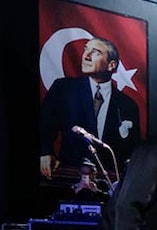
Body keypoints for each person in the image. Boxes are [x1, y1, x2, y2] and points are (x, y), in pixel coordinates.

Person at [39, 37, 142, 183]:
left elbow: (133, 150)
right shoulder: (64, 89)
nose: (86, 56)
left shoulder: (127, 105)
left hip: (110, 185)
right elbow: (44, 125)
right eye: (85, 49)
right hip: (69, 178)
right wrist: (46, 152)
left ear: (111, 65)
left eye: (95, 52)